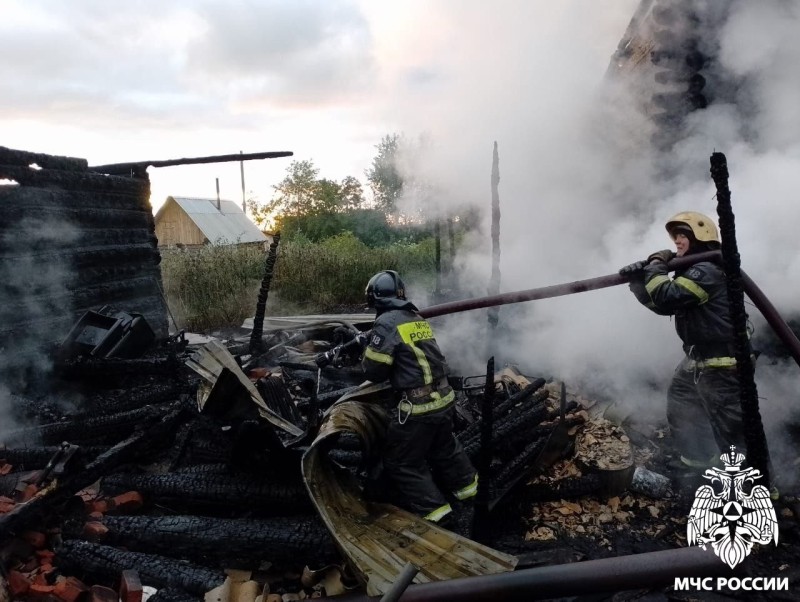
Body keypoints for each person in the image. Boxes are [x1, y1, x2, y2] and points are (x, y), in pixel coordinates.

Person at [318, 270, 478, 526]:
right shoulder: (414, 318)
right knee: (445, 449)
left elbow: (374, 370)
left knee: (402, 462)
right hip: (445, 399)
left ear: (375, 298)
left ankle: (439, 514)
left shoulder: (386, 323)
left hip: (418, 407)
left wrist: (366, 352)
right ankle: (470, 494)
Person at [619, 211, 748, 469]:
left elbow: (667, 296)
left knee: (734, 434)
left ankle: (756, 489)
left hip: (722, 364)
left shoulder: (708, 271)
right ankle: (697, 462)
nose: (677, 241)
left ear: (700, 238)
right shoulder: (691, 273)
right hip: (697, 359)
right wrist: (637, 282)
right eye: (675, 235)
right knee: (681, 406)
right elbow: (664, 306)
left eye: (683, 235)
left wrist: (655, 263)